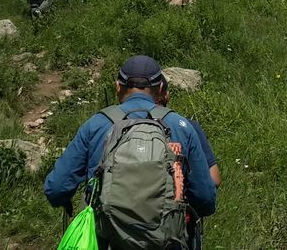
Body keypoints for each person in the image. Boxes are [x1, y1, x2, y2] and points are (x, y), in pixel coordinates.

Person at [43, 55, 217, 247]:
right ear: (160, 88)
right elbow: (206, 199)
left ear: (118, 86)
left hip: (107, 241)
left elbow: (56, 188)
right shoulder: (181, 126)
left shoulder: (96, 125)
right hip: (168, 242)